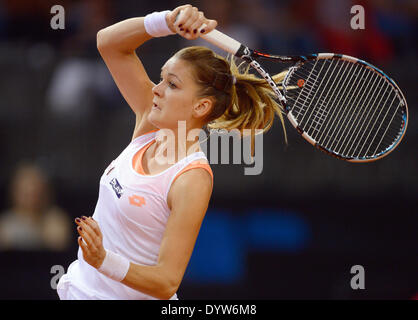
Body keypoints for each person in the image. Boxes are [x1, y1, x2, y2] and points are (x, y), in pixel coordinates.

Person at [57, 4, 287, 300]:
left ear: (200, 106)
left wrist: (104, 260)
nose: (157, 89)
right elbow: (109, 43)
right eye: (162, 78)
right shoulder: (148, 122)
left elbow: (166, 282)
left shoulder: (191, 179)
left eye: (172, 84)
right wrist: (167, 21)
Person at [0, 161, 71, 251]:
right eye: (26, 193)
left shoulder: (56, 219)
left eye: (35, 191)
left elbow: (58, 243)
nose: (31, 198)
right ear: (14, 192)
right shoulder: (5, 223)